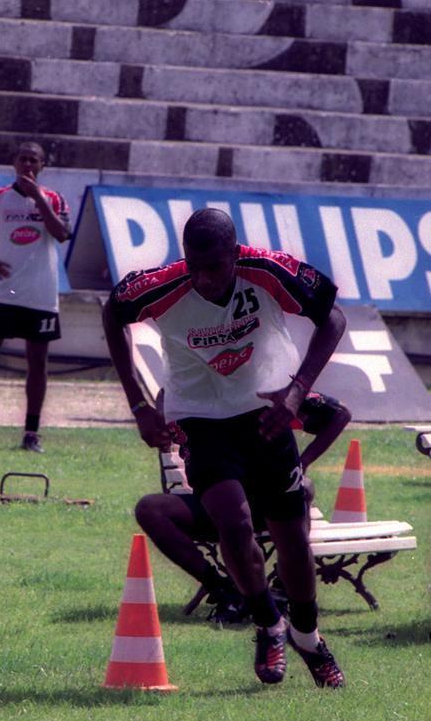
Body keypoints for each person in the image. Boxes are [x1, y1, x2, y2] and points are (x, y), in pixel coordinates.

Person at [102, 207, 347, 689]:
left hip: (267, 410)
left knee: (292, 536)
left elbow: (332, 319)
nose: (204, 279)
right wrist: (139, 405)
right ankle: (267, 622)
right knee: (231, 521)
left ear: (235, 255)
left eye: (214, 267)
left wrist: (297, 390)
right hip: (200, 417)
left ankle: (308, 636)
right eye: (194, 266)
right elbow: (112, 313)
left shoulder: (269, 269)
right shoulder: (161, 285)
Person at [138, 389, 351, 626]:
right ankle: (223, 590)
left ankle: (284, 589)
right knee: (150, 509)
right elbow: (164, 401)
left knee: (303, 486)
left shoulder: (261, 387)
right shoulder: (180, 390)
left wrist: (303, 461)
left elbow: (339, 413)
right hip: (213, 501)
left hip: (266, 502)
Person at [0, 141, 72, 452]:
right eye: (23, 159)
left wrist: (37, 197)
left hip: (41, 295)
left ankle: (31, 433)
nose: (28, 165)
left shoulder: (52, 198)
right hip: (4, 293)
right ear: (14, 162)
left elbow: (62, 234)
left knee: (38, 363)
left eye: (34, 160)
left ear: (42, 166)